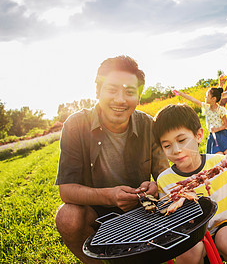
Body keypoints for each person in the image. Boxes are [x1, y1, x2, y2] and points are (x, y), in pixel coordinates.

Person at [54, 55, 169, 263]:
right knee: (68, 217)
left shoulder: (148, 125)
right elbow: (66, 190)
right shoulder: (75, 125)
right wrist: (109, 196)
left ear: (139, 96)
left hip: (141, 207)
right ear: (98, 91)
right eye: (112, 90)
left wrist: (155, 186)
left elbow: (166, 176)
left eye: (129, 92)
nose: (120, 100)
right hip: (95, 213)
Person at [153, 104, 227, 264]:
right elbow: (168, 217)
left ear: (198, 135)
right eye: (167, 145)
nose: (176, 150)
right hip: (192, 235)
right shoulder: (164, 180)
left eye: (181, 140)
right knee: (187, 256)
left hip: (225, 227)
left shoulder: (218, 163)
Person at [173, 87, 227, 154]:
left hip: (222, 135)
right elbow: (193, 99)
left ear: (213, 99)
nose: (205, 97)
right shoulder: (206, 107)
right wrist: (180, 93)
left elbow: (226, 124)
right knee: (218, 156)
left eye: (207, 96)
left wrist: (217, 129)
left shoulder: (220, 110)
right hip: (213, 137)